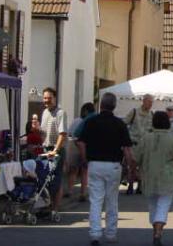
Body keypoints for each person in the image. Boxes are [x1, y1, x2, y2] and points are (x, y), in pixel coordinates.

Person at [77, 92, 135, 246]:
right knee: (112, 200)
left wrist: (84, 160)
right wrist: (130, 168)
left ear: (100, 105)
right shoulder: (120, 124)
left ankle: (95, 233)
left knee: (95, 200)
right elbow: (127, 149)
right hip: (114, 165)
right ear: (114, 106)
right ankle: (111, 233)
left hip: (95, 164)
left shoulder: (91, 122)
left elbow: (81, 142)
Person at [134, 111, 173, 246]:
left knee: (152, 205)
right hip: (168, 177)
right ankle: (158, 232)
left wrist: (134, 171)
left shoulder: (145, 138)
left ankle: (156, 229)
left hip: (149, 176)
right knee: (163, 205)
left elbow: (136, 158)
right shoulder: (172, 139)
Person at [40, 87, 68, 218]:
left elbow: (62, 134)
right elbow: (43, 133)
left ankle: (55, 209)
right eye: (45, 98)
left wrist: (55, 150)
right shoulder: (45, 112)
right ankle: (48, 206)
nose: (46, 100)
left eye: (49, 98)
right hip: (46, 150)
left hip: (57, 151)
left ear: (55, 98)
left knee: (56, 180)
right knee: (46, 180)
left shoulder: (61, 113)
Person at [124, 94, 154, 194]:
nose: (150, 104)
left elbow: (153, 129)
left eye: (151, 102)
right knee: (132, 166)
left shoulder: (152, 114)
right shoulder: (134, 112)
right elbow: (124, 123)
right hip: (134, 144)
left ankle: (140, 186)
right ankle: (131, 185)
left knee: (143, 166)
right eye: (149, 102)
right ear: (144, 101)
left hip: (145, 145)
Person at [66, 102, 96, 201]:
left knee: (73, 170)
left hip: (75, 145)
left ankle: (70, 191)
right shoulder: (93, 121)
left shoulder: (77, 121)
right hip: (87, 146)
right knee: (84, 171)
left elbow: (70, 133)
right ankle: (83, 193)